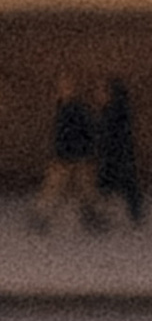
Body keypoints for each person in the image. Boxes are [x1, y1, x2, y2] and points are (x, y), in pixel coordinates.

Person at [30, 75, 103, 233]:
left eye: (66, 87)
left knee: (78, 189)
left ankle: (92, 218)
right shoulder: (64, 107)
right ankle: (42, 218)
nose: (63, 91)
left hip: (74, 156)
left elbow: (82, 133)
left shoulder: (75, 109)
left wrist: (81, 151)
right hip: (68, 155)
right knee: (56, 188)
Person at [92, 76, 143, 227]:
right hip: (118, 156)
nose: (98, 94)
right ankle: (132, 214)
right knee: (123, 186)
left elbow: (109, 135)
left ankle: (102, 216)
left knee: (112, 185)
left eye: (102, 91)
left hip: (114, 156)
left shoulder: (112, 112)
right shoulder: (116, 110)